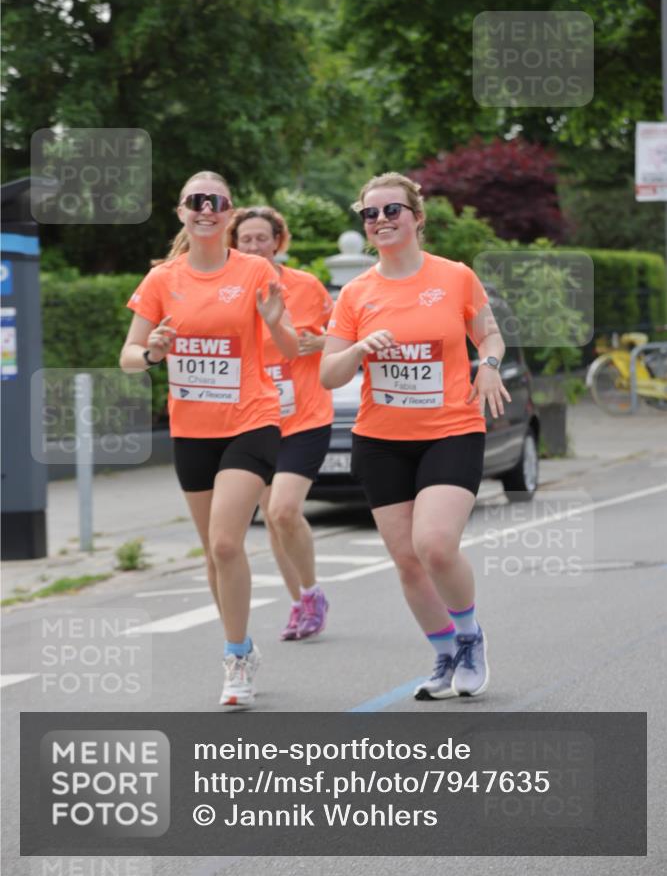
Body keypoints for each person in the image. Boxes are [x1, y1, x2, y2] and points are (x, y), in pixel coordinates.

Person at [321, 171, 510, 699]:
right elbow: (328, 374)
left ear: (416, 218)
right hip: (381, 439)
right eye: (369, 214)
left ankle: (471, 637)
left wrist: (488, 362)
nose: (380, 220)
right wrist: (359, 351)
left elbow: (488, 330)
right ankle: (445, 652)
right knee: (406, 559)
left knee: (435, 545)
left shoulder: (454, 277)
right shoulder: (356, 293)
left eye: (391, 211)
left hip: (450, 428)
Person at [120, 171, 298, 709]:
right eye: (195, 201)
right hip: (192, 429)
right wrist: (152, 350)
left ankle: (235, 656)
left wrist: (274, 322)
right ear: (180, 212)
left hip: (252, 418)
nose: (205, 208)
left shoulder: (253, 271)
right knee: (213, 551)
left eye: (216, 201)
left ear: (230, 213)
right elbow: (128, 357)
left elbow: (288, 348)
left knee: (226, 541)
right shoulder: (161, 280)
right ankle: (242, 642)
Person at [226, 206, 333, 641]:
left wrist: (319, 342)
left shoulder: (305, 286)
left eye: (261, 239)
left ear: (277, 242)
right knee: (273, 518)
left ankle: (312, 591)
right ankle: (299, 602)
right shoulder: (229, 291)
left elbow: (347, 335)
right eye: (245, 240)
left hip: (305, 415)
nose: (253, 246)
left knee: (283, 509)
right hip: (256, 418)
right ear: (234, 245)